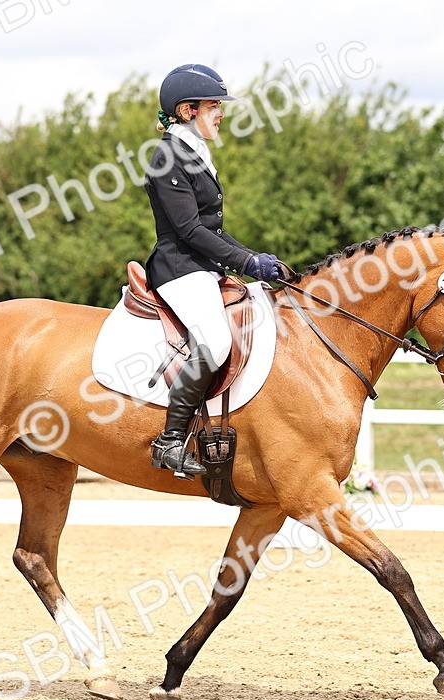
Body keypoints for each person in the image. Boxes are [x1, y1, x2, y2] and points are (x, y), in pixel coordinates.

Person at [143, 64, 284, 476]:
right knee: (217, 342)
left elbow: (213, 229)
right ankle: (169, 442)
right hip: (179, 268)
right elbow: (187, 230)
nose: (221, 113)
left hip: (202, 265)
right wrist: (244, 262)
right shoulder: (166, 157)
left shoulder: (195, 152)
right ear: (188, 110)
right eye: (214, 106)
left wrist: (256, 257)